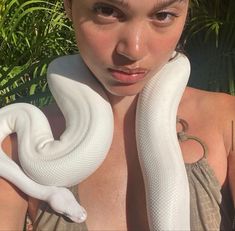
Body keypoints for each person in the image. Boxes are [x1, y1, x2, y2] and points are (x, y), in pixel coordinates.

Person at [0, 0, 235, 230]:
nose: (133, 49)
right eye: (107, 11)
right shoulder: (12, 150)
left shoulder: (227, 120)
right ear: (68, 6)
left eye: (163, 15)